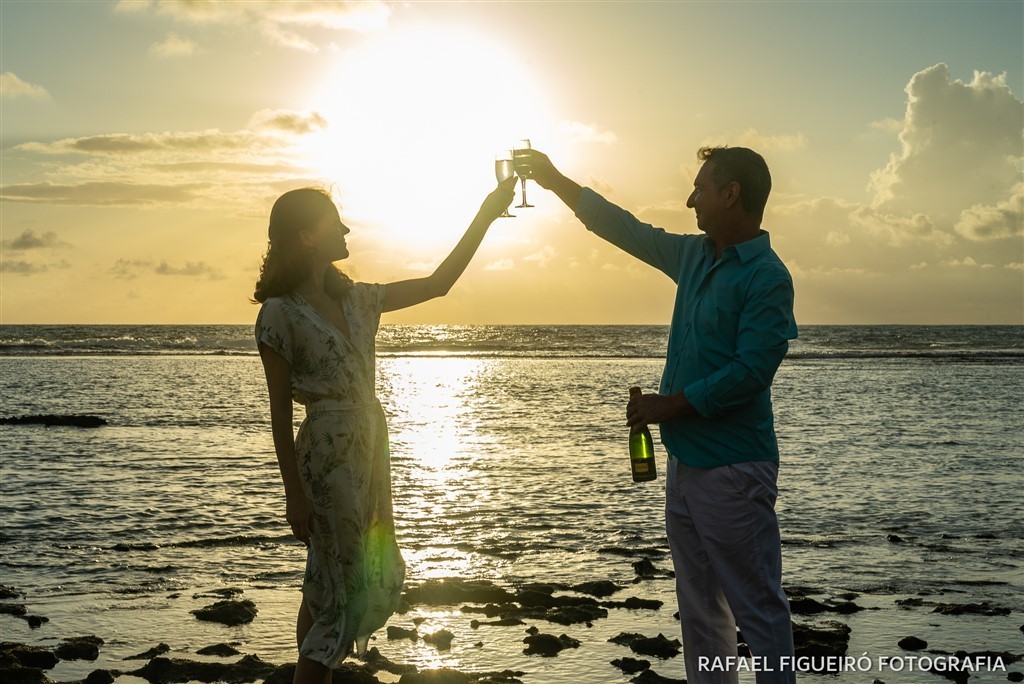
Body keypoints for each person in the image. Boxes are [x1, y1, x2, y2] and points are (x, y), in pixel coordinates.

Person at [526, 146, 798, 684]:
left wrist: (668, 404)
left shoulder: (767, 276)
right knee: (699, 611)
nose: (689, 198)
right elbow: (625, 228)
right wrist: (556, 180)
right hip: (684, 464)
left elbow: (750, 373)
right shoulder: (693, 256)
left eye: (700, 187)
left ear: (731, 194)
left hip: (735, 470)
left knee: (758, 610)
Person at [252, 177, 515, 684]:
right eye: (334, 222)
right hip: (326, 457)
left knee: (326, 581)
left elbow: (439, 283)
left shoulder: (359, 300)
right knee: (335, 583)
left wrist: (486, 213)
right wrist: (293, 494)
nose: (346, 228)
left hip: (369, 448)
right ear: (306, 237)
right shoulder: (280, 314)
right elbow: (279, 415)